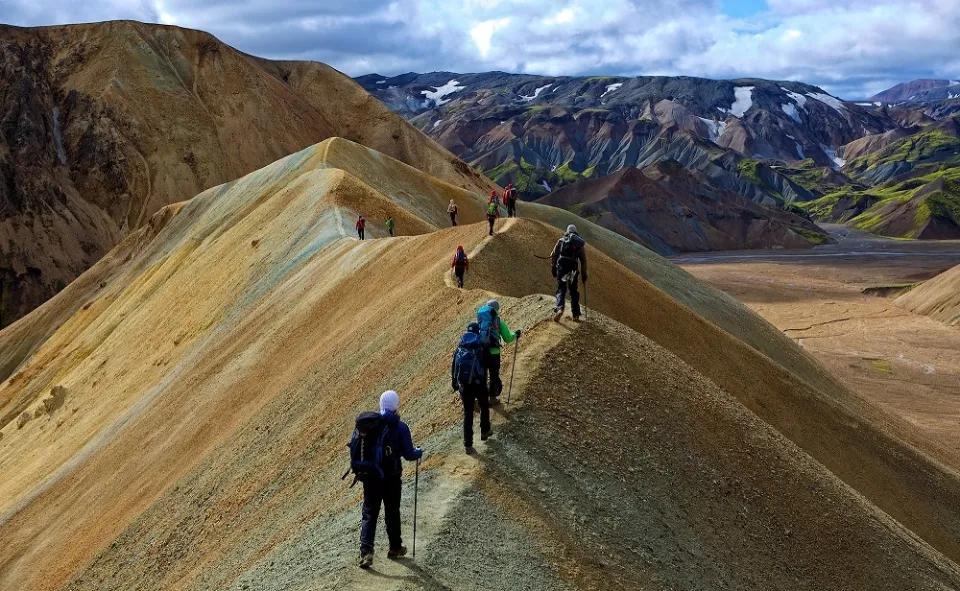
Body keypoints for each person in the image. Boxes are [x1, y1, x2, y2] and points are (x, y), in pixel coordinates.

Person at [357, 390, 423, 568]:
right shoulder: (401, 427)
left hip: (372, 478)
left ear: (381, 405)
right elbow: (409, 455)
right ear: (396, 405)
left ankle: (366, 552)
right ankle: (394, 547)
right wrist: (419, 452)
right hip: (392, 478)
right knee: (392, 511)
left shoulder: (370, 426)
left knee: (370, 513)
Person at [451, 322, 490, 453]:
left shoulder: (460, 347)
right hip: (479, 383)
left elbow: (454, 366)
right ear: (477, 331)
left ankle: (468, 444)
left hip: (464, 385)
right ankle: (484, 431)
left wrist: (455, 384)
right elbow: (486, 364)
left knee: (468, 413)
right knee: (484, 406)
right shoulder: (480, 346)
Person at [476, 299, 520, 405]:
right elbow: (508, 338)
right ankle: (492, 398)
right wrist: (516, 334)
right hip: (494, 353)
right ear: (496, 310)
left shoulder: (480, 322)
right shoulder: (498, 322)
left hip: (481, 351)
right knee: (493, 374)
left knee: (482, 374)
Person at [550, 224, 588, 322]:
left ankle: (560, 309)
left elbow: (553, 255)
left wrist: (553, 268)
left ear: (567, 231)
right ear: (576, 232)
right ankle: (575, 314)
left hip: (562, 268)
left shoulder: (561, 240)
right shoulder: (578, 244)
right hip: (573, 270)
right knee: (573, 291)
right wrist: (584, 275)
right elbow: (583, 261)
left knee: (561, 289)